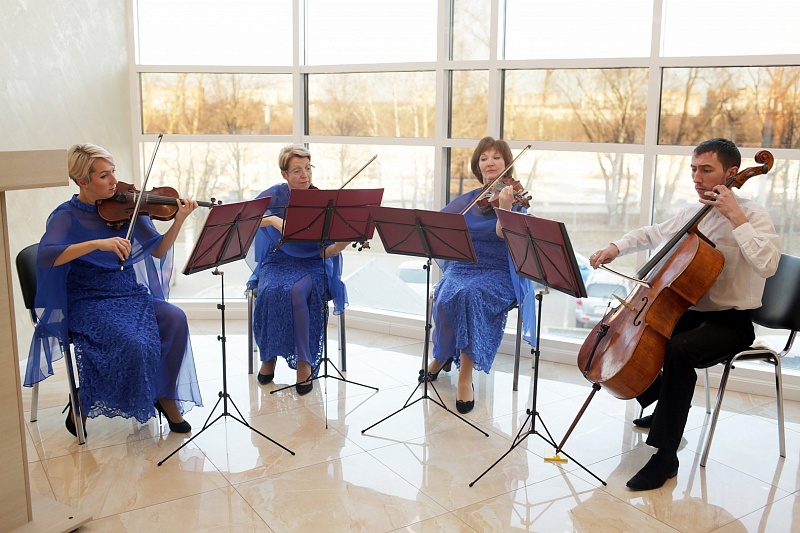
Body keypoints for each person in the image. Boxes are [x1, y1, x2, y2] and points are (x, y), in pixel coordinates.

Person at [588, 138, 781, 490]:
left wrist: (735, 216)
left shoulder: (753, 215)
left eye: (706, 170)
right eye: (693, 169)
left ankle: (665, 457)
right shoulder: (695, 212)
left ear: (731, 173)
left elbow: (768, 265)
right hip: (692, 310)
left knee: (679, 349)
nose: (697, 177)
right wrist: (616, 247)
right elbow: (654, 234)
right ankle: (661, 397)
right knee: (645, 334)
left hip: (733, 322)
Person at [24, 143, 203, 436]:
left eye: (113, 172)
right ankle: (82, 401)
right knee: (132, 343)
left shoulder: (126, 207)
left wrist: (179, 220)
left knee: (175, 318)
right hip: (87, 299)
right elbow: (46, 255)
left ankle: (165, 394)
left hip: (128, 292)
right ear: (83, 181)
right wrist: (96, 244)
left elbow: (158, 250)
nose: (114, 181)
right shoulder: (66, 215)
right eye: (104, 175)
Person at [420, 136, 536, 414]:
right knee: (445, 295)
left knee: (470, 296)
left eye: (496, 157)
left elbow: (505, 237)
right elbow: (437, 225)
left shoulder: (514, 199)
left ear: (507, 163)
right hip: (465, 264)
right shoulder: (470, 200)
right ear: (477, 165)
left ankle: (465, 376)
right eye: (484, 158)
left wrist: (505, 210)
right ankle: (442, 355)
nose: (489, 162)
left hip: (499, 269)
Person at [248, 145, 349, 395]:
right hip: (278, 260)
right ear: (284, 174)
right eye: (297, 170)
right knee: (270, 290)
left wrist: (340, 245)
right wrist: (273, 220)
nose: (305, 175)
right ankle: (268, 356)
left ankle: (305, 362)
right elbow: (245, 220)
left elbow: (327, 251)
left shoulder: (323, 200)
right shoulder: (274, 195)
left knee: (295, 292)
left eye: (308, 168)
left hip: (313, 262)